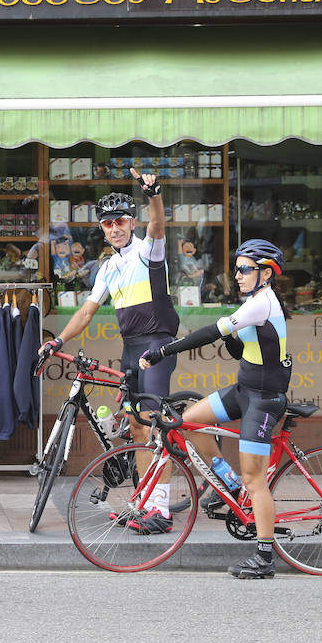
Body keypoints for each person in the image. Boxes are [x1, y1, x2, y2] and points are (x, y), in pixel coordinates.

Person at [38, 168, 181, 533]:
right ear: (101, 229)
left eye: (120, 221)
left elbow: (159, 225)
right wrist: (58, 341)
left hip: (157, 343)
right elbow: (87, 311)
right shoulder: (107, 267)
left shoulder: (149, 249)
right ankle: (144, 502)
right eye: (107, 224)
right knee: (134, 425)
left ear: (131, 222)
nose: (115, 228)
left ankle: (161, 512)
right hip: (131, 347)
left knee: (151, 426)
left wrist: (154, 193)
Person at [140, 238, 290, 579]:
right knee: (186, 423)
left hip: (264, 400)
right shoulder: (255, 301)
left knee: (256, 479)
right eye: (235, 269)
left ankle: (264, 558)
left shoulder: (261, 302)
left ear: (265, 273)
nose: (237, 275)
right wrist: (234, 338)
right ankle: (228, 486)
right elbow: (240, 350)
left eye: (244, 269)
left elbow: (209, 333)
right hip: (244, 390)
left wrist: (160, 352)